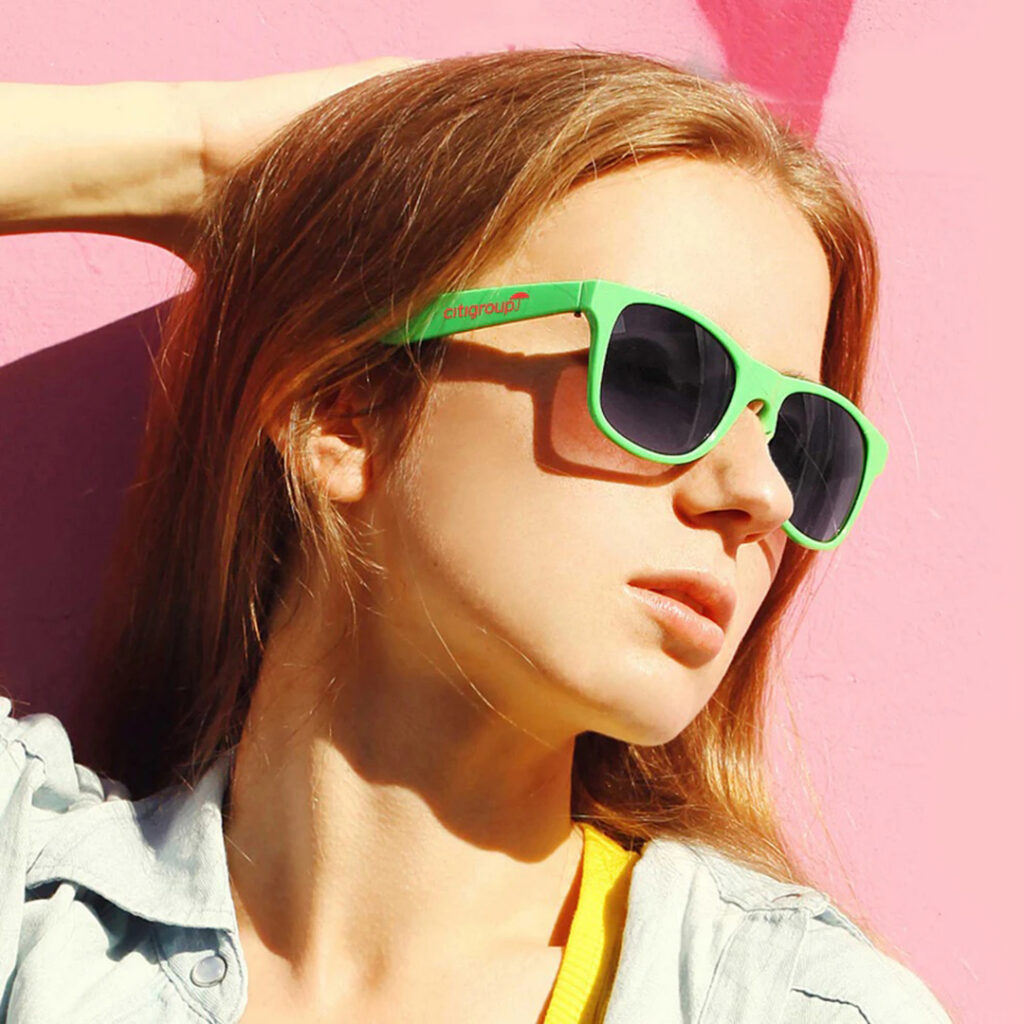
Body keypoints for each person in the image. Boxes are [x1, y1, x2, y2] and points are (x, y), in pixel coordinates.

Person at [0, 48, 954, 1023]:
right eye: (661, 376)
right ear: (343, 413)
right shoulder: (32, 917)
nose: (757, 492)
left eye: (800, 440)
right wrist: (197, 158)